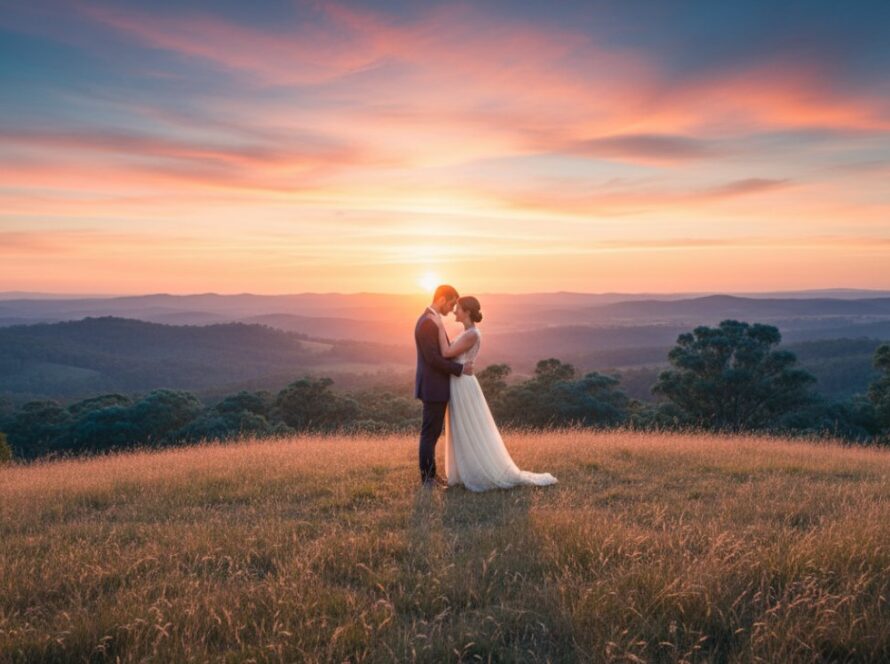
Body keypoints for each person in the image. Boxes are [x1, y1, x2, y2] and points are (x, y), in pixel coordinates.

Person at [431, 296, 558, 492]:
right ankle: (464, 471)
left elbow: (447, 353)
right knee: (461, 427)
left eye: (458, 309)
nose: (454, 312)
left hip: (463, 384)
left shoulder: (471, 334)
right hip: (459, 382)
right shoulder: (467, 332)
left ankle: (477, 471)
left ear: (466, 312)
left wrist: (439, 327)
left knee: (469, 427)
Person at [414, 285, 474, 486]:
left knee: (433, 432)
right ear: (441, 300)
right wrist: (459, 369)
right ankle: (427, 479)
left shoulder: (432, 321)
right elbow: (432, 359)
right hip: (433, 387)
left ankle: (431, 475)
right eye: (450, 304)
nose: (451, 309)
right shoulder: (427, 323)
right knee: (429, 434)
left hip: (435, 386)